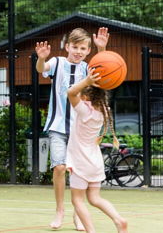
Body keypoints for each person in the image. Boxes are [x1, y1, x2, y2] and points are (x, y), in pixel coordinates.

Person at [35, 27, 109, 230]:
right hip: (58, 126)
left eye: (83, 48)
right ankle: (60, 211)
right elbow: (41, 69)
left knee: (80, 173)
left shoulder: (88, 68)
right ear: (67, 46)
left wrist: (102, 49)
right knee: (59, 167)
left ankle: (79, 214)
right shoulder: (58, 62)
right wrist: (41, 58)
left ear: (87, 51)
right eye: (74, 46)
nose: (78, 51)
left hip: (81, 131)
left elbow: (104, 71)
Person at [66, 68, 128, 233]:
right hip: (94, 161)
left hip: (80, 162)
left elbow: (71, 92)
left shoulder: (84, 110)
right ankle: (118, 219)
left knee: (77, 201)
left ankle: (91, 231)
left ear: (85, 96)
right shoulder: (103, 111)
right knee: (95, 198)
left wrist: (86, 81)